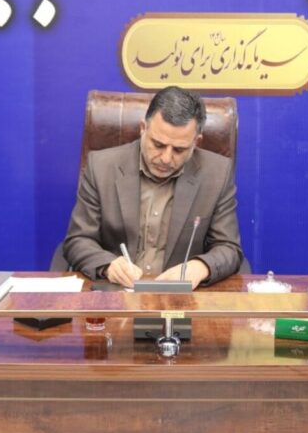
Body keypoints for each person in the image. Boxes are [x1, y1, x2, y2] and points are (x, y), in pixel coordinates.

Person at [63, 85, 243, 289]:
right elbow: (78, 240)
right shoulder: (102, 167)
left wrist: (200, 267)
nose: (166, 158)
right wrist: (109, 266)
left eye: (179, 150)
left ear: (196, 142)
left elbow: (229, 248)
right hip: (117, 293)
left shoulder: (217, 174)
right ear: (143, 128)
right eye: (158, 144)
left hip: (181, 296)